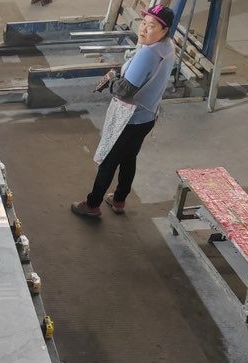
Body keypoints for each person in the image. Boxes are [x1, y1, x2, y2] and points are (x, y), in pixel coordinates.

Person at [71, 4, 176, 218]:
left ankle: (92, 205)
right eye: (144, 23)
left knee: (109, 161)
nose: (144, 29)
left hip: (130, 118)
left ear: (164, 30)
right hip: (148, 116)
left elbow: (125, 90)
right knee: (128, 158)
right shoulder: (168, 47)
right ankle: (119, 200)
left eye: (152, 26)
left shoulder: (148, 54)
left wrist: (111, 81)